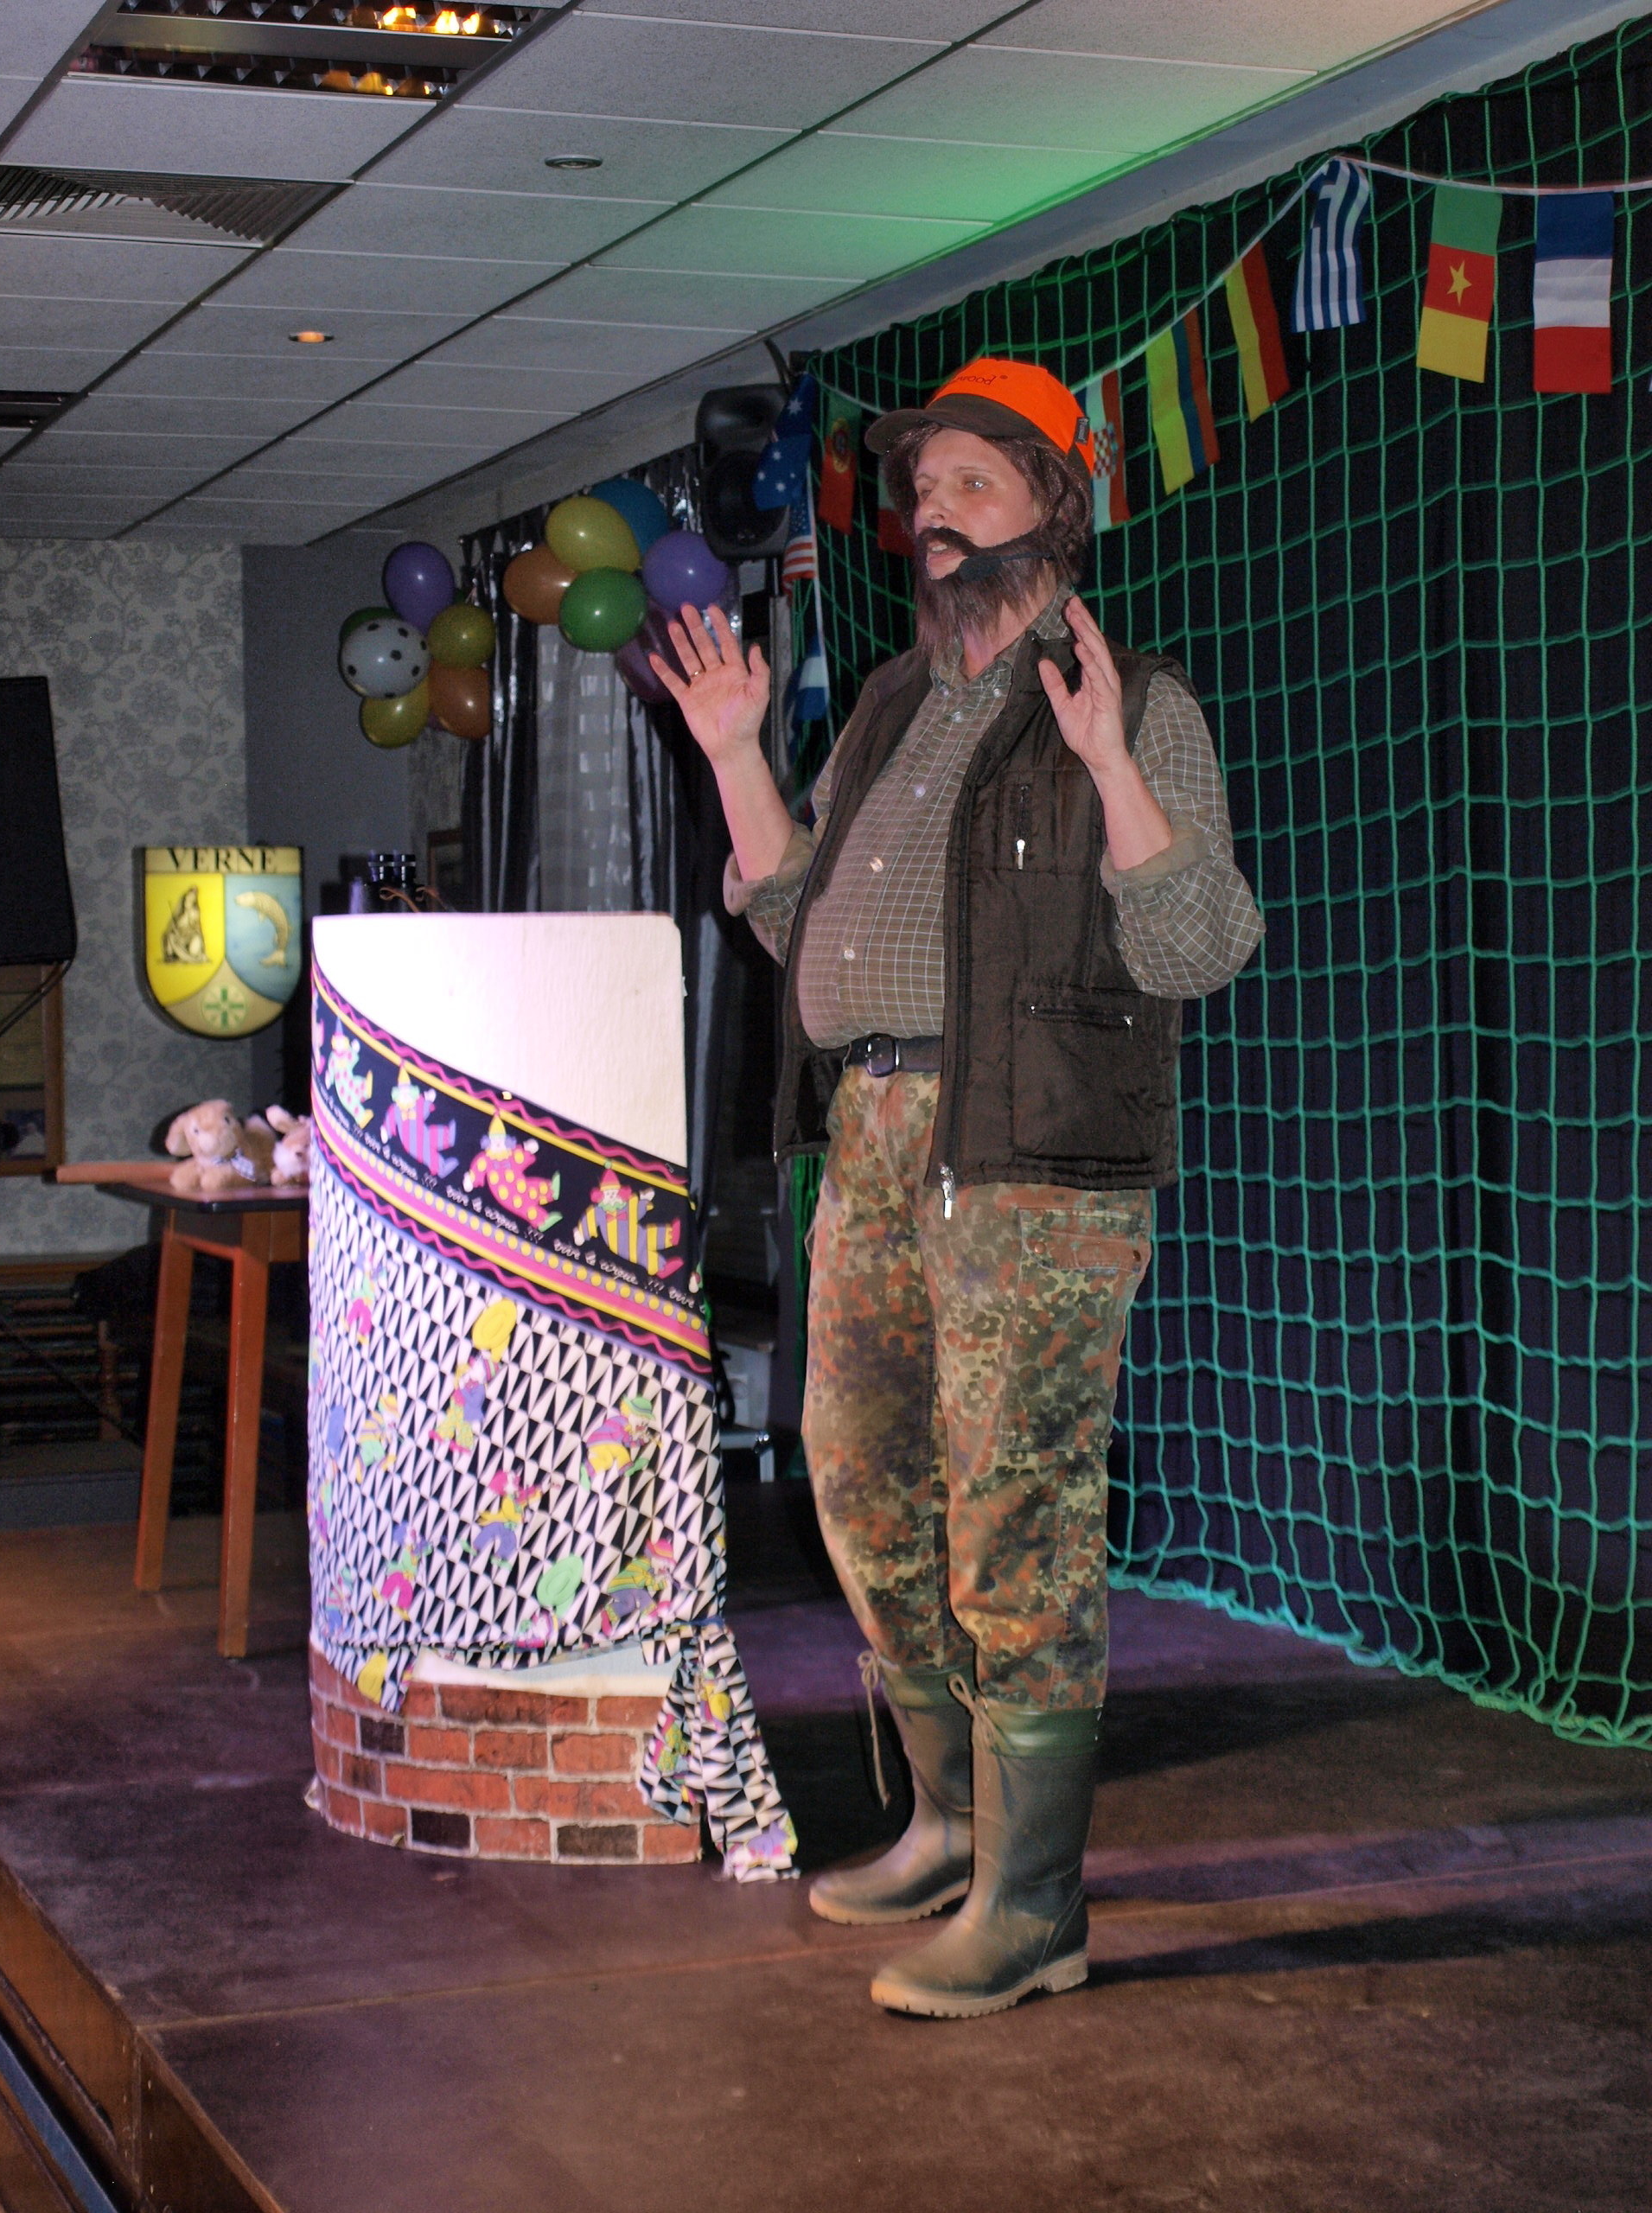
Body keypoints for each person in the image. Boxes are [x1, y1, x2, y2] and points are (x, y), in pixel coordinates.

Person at [650, 358, 1262, 2019]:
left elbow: (1201, 944)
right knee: (860, 1488)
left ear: (1052, 507)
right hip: (871, 1137)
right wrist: (734, 752)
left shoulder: (1134, 697)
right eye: (923, 490)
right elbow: (796, 921)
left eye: (972, 484)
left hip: (1029, 1162)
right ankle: (948, 1826)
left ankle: (1036, 1906)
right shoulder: (889, 708)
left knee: (1016, 1515)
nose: (933, 513)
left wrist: (1111, 765)